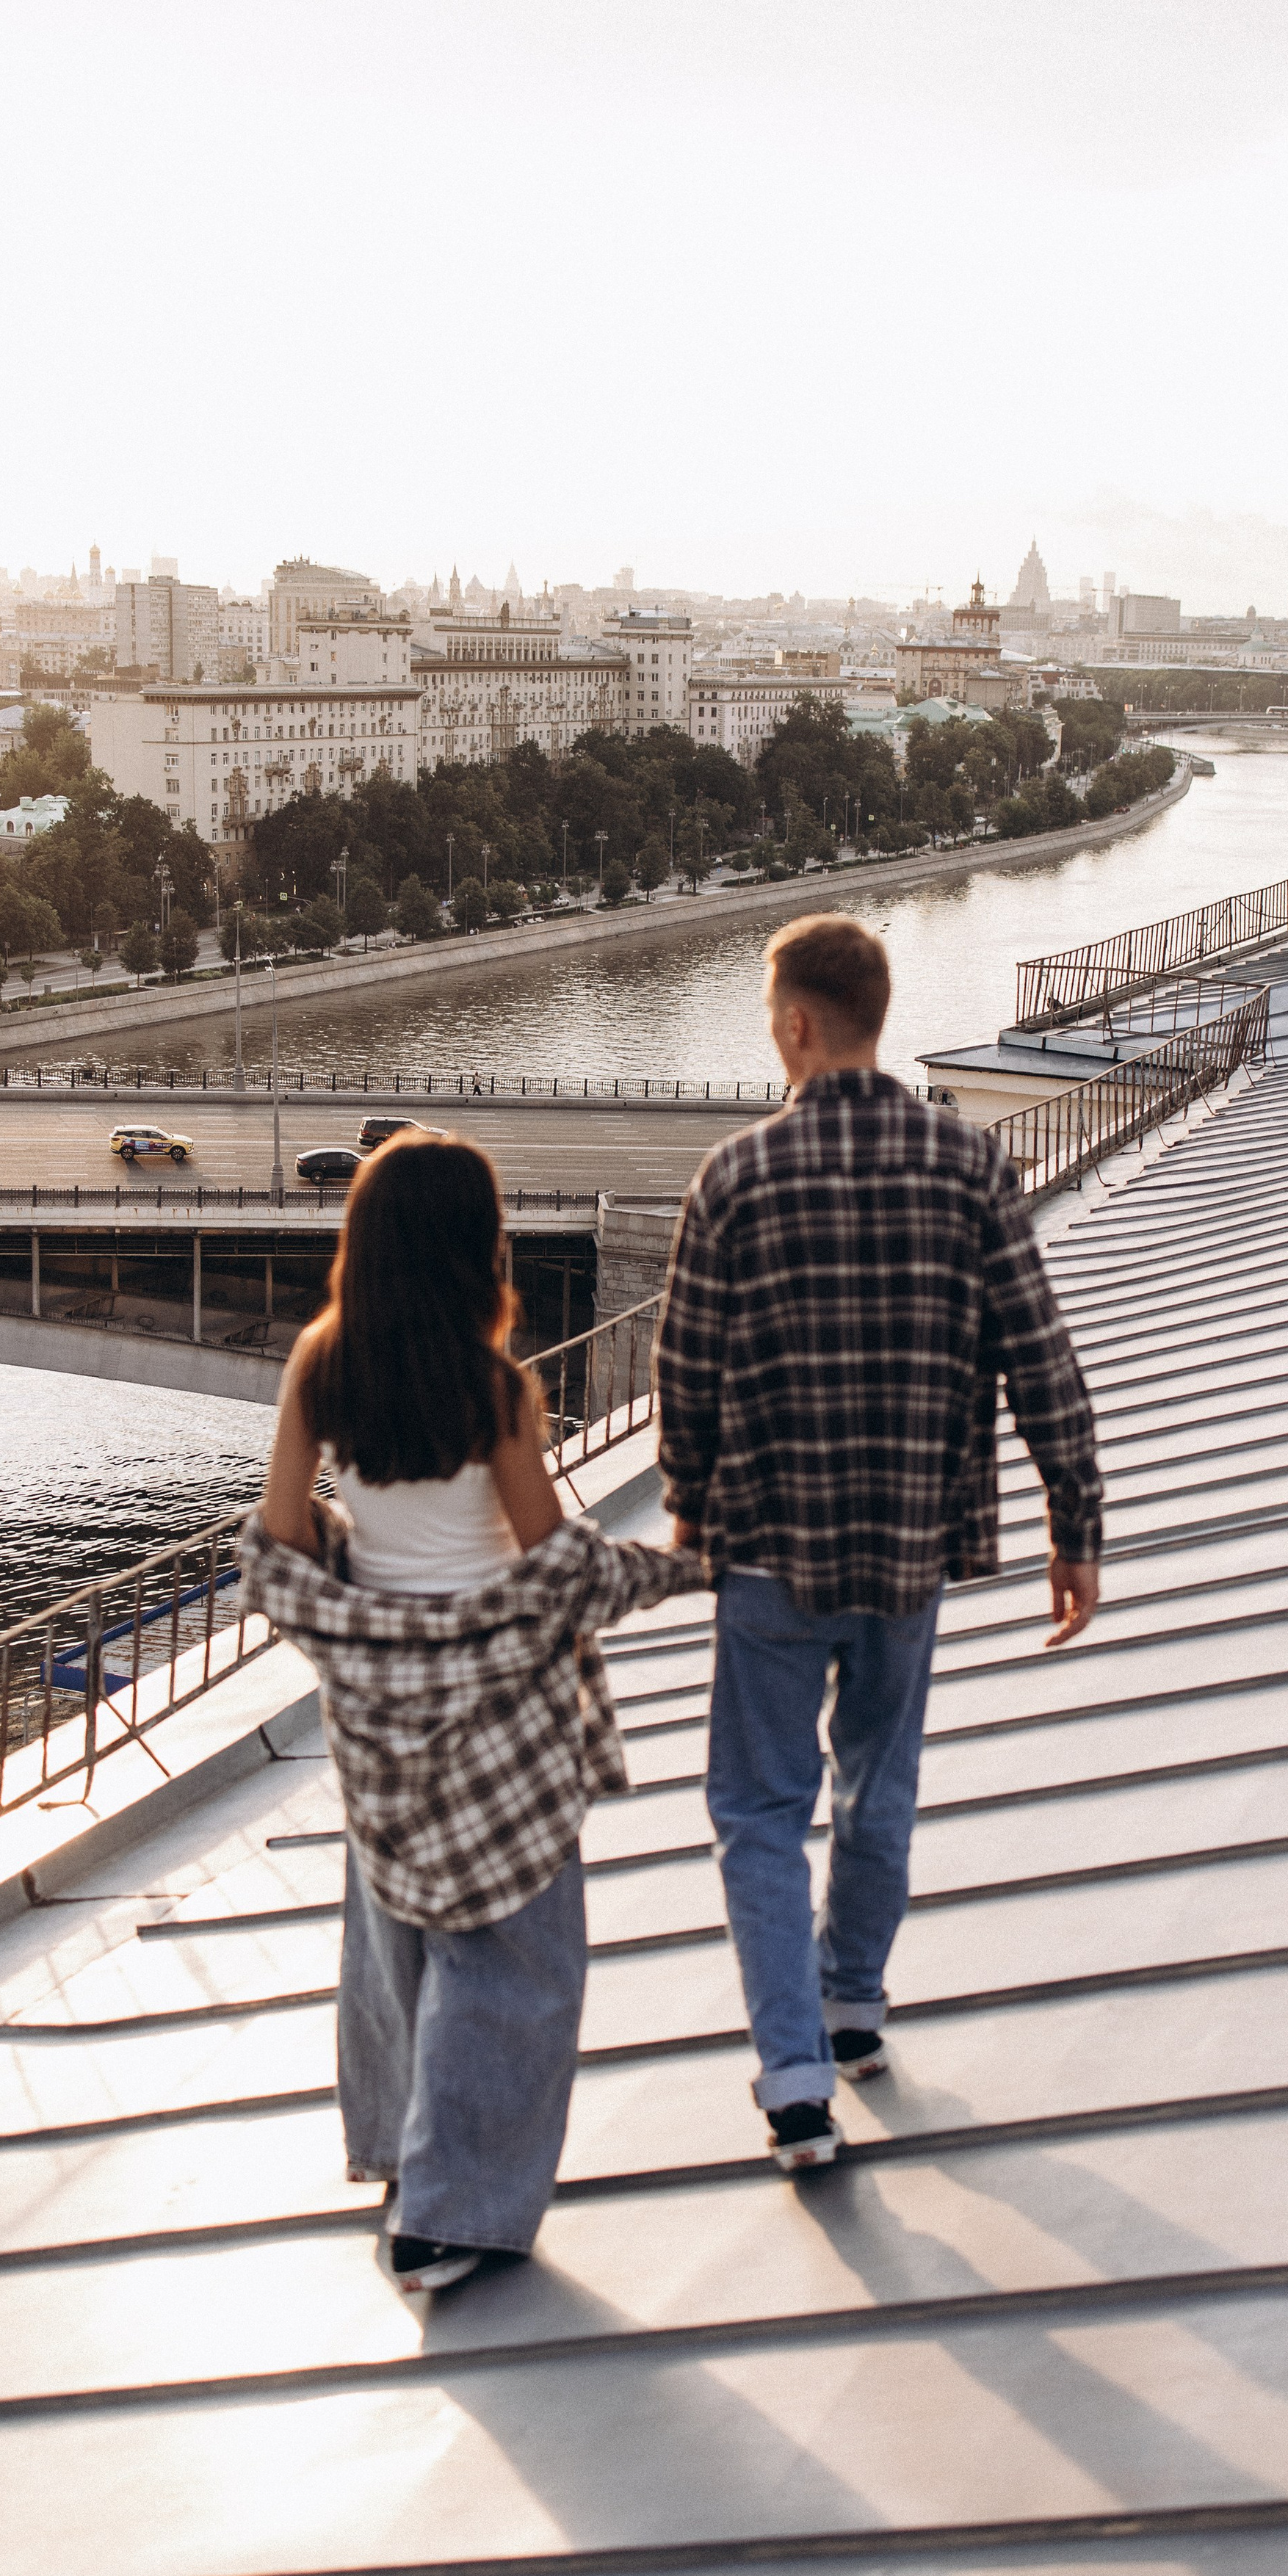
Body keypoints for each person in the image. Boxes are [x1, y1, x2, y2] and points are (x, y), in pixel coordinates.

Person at [655, 915, 1102, 2172]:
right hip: (912, 1542)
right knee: (878, 1783)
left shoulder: (736, 1177)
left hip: (769, 1549)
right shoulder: (970, 1167)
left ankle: (795, 2078)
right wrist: (1074, 1524)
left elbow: (685, 1369)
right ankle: (853, 2003)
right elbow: (1039, 1356)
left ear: (798, 1023)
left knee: (757, 1808)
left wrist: (690, 1504)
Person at [242, 1133, 703, 2293]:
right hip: (502, 1716)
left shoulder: (319, 1365)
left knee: (392, 1939)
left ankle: (402, 2157)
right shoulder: (496, 1391)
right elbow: (552, 1561)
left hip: (378, 1716)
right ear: (473, 1248)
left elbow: (284, 1539)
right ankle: (450, 2213)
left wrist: (363, 1593)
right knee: (512, 1966)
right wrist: (676, 1569)